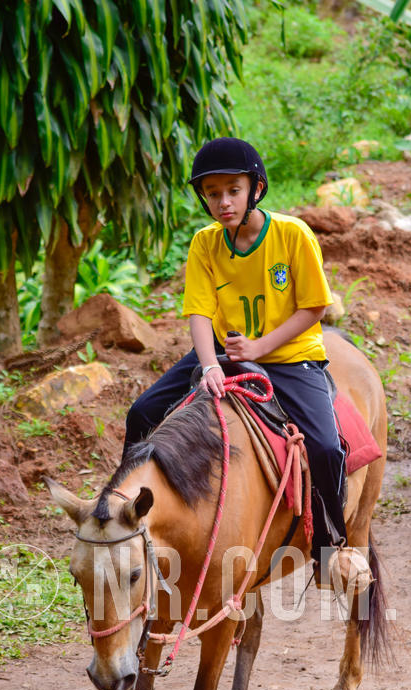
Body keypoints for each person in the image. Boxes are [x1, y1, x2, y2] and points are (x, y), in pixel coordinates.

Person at [124, 136, 348, 578]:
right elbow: (200, 313)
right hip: (223, 352)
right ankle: (123, 519)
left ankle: (330, 543)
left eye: (233, 190)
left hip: (289, 357)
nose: (223, 202)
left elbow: (315, 308)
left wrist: (261, 348)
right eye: (212, 193)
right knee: (141, 411)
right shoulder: (205, 244)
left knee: (324, 445)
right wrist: (208, 365)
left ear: (256, 189)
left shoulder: (292, 234)